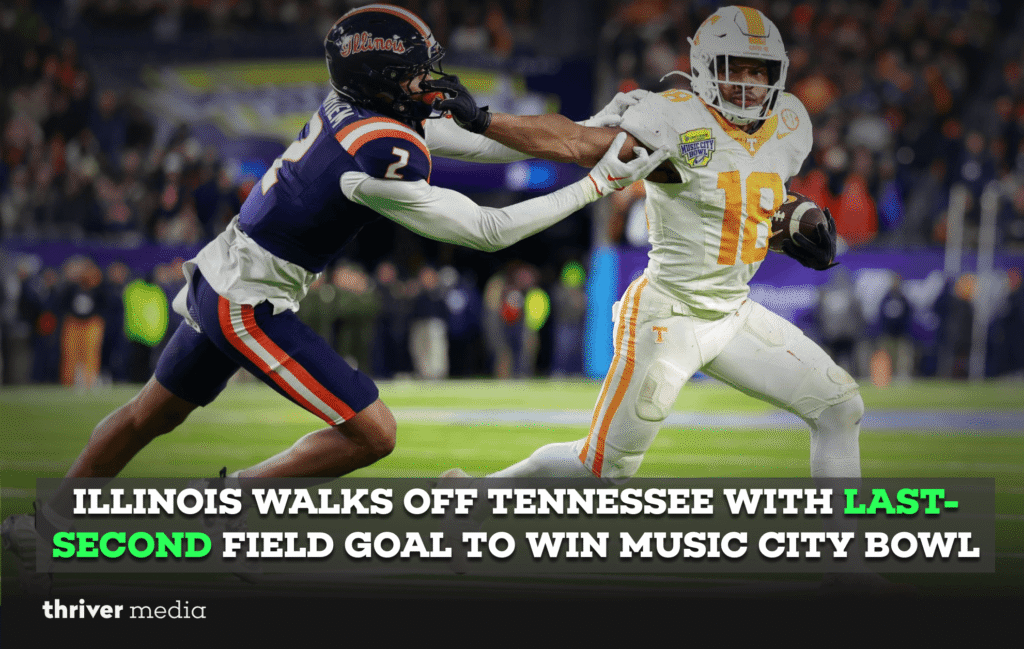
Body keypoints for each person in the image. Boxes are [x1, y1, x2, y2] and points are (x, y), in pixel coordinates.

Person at [0, 2, 669, 594]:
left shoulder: (363, 110)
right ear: (381, 83)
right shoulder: (376, 149)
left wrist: (585, 129)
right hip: (248, 299)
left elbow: (492, 138)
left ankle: (44, 527)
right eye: (415, 73)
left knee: (149, 415)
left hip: (226, 274)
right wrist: (595, 186)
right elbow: (488, 229)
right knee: (373, 432)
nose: (428, 83)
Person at [436, 6, 899, 593]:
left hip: (731, 311)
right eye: (737, 69)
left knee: (839, 406)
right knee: (602, 470)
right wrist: (483, 119)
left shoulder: (789, 121)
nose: (751, 85)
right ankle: (475, 499)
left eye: (761, 72)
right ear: (706, 69)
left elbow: (755, 195)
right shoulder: (673, 117)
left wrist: (792, 217)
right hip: (670, 313)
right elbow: (578, 142)